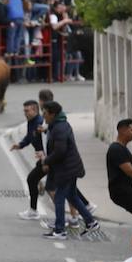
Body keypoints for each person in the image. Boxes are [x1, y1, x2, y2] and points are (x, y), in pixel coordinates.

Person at [40, 101, 99, 240]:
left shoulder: (60, 127)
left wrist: (46, 160)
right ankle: (91, 222)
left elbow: (60, 151)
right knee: (72, 196)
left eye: (45, 113)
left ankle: (60, 230)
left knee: (60, 197)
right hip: (69, 167)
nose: (43, 116)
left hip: (67, 168)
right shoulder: (58, 125)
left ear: (52, 114)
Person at [10, 100, 46, 221]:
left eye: (27, 110)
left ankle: (84, 207)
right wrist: (20, 145)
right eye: (24, 110)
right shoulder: (32, 122)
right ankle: (33, 210)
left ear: (35, 110)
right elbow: (30, 137)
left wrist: (45, 156)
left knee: (60, 186)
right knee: (33, 180)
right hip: (44, 158)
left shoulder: (40, 122)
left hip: (48, 159)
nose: (25, 113)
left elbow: (48, 140)